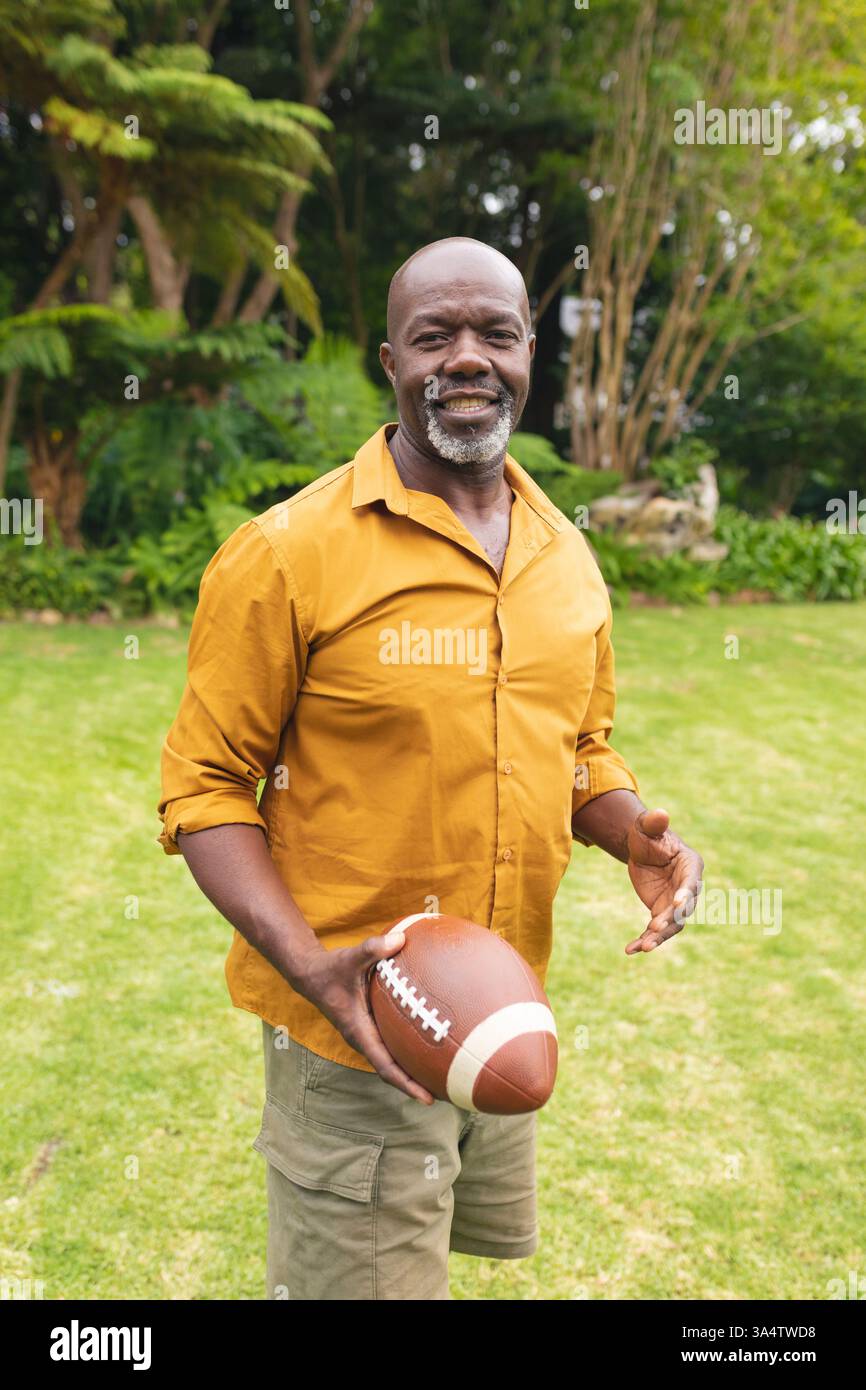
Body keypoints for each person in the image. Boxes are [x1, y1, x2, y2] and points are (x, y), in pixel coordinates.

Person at [158, 236, 704, 1300]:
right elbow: (205, 788)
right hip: (354, 1023)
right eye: (433, 335)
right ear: (390, 361)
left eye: (495, 333)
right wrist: (310, 966)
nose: (466, 358)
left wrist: (631, 829)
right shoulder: (286, 552)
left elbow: (579, 746)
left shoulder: (563, 552)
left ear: (530, 354)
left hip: (494, 1005)